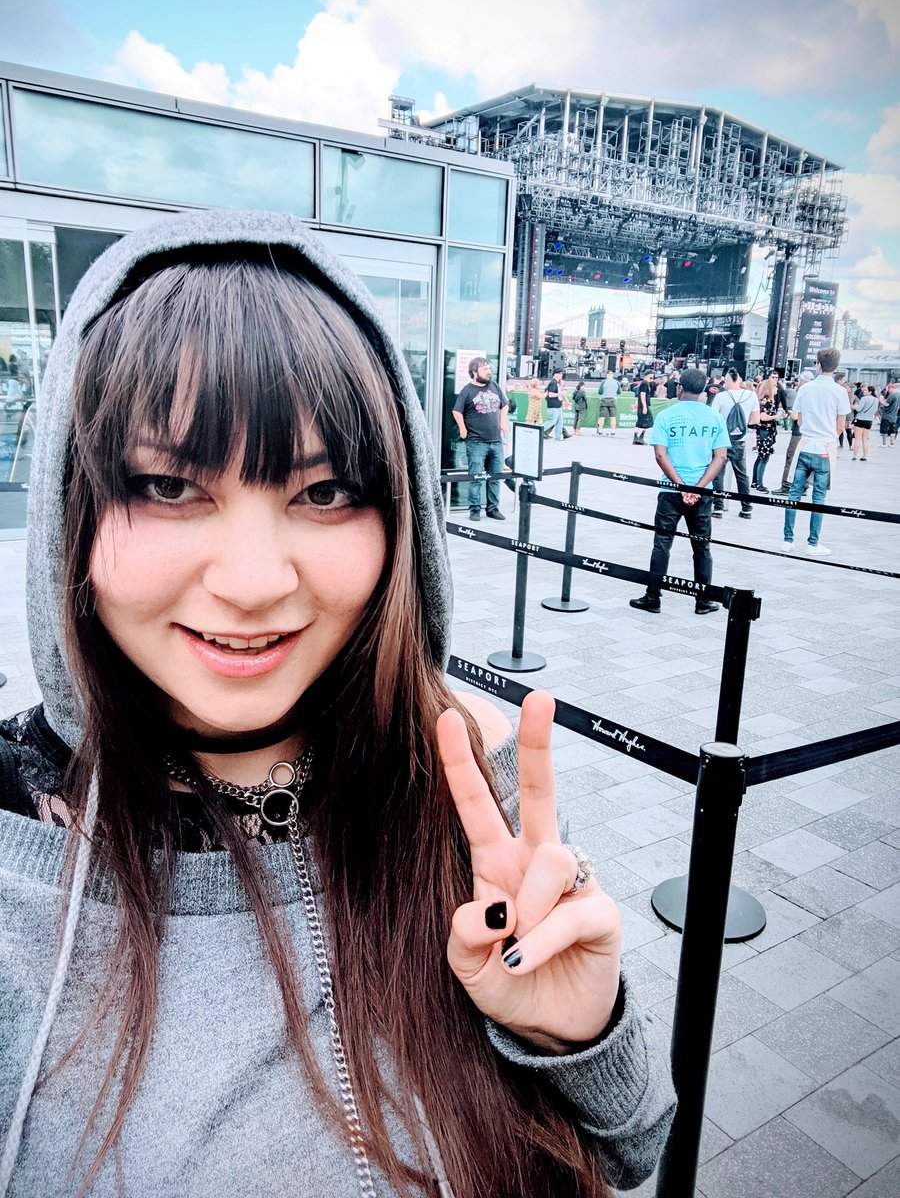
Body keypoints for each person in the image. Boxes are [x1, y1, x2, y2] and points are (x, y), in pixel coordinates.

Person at [0, 212, 676, 1197]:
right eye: (167, 485)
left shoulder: (457, 778)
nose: (252, 583)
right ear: (71, 508)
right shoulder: (22, 846)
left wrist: (577, 1037)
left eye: (323, 494)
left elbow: (634, 1146)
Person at [629, 368, 729, 616]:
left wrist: (680, 486)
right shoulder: (715, 417)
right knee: (702, 547)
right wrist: (697, 488)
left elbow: (660, 455)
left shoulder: (667, 415)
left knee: (662, 544)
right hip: (702, 492)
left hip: (671, 490)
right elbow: (720, 457)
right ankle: (703, 600)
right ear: (704, 389)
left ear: (680, 387)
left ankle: (653, 597)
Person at [783, 346, 851, 556]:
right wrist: (829, 435)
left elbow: (798, 417)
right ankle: (813, 543)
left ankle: (788, 540)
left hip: (805, 444)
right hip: (825, 447)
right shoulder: (840, 391)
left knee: (794, 494)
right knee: (818, 497)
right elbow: (841, 424)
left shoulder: (806, 388)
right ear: (835, 366)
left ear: (818, 364)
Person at [453, 355, 508, 522]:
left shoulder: (494, 386)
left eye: (489, 368)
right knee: (476, 478)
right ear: (474, 371)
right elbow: (456, 411)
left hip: (496, 441)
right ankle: (475, 509)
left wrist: (502, 422)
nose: (489, 371)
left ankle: (493, 509)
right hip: (476, 442)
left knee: (495, 478)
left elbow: (504, 405)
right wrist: (462, 428)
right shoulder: (467, 390)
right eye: (485, 369)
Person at [710, 368, 759, 519]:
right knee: (742, 475)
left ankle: (718, 508)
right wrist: (743, 425)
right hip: (740, 441)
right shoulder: (751, 395)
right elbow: (756, 420)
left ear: (728, 380)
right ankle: (746, 508)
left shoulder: (721, 396)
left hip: (721, 440)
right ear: (740, 379)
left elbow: (714, 419)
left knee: (718, 474)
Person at [773, 370, 814, 495]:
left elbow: (795, 416)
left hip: (799, 432)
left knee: (791, 458)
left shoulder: (802, 393)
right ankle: (804, 486)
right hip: (811, 433)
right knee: (805, 460)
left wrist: (791, 414)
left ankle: (786, 485)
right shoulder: (815, 395)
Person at [751, 374, 779, 493]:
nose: (777, 388)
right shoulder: (767, 401)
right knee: (764, 457)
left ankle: (755, 482)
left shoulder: (765, 400)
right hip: (765, 432)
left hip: (765, 431)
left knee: (760, 457)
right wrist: (775, 417)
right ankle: (759, 484)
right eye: (775, 386)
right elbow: (763, 416)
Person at [851, 385, 878, 461]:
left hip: (860, 419)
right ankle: (864, 456)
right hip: (869, 421)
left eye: (866, 390)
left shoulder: (864, 398)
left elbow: (859, 409)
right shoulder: (876, 400)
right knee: (865, 439)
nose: (863, 391)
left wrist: (854, 406)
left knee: (857, 439)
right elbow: (875, 410)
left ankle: (855, 456)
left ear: (870, 392)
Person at [542, 369, 566, 441]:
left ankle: (559, 437)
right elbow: (550, 394)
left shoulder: (556, 383)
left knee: (559, 422)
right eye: (560, 373)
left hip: (558, 406)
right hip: (553, 406)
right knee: (552, 421)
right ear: (555, 374)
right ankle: (539, 430)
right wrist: (561, 393)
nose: (561, 375)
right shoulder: (553, 383)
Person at [633, 373, 655, 445]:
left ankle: (636, 437)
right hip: (644, 405)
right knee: (647, 422)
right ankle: (640, 437)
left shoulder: (644, 383)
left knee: (640, 422)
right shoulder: (645, 384)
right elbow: (643, 395)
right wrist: (645, 406)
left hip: (642, 405)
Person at [596, 371, 619, 436]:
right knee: (613, 416)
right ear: (613, 375)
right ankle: (613, 431)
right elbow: (619, 392)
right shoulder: (617, 382)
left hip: (604, 400)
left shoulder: (603, 382)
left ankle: (600, 431)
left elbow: (600, 392)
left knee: (602, 416)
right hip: (613, 400)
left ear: (606, 375)